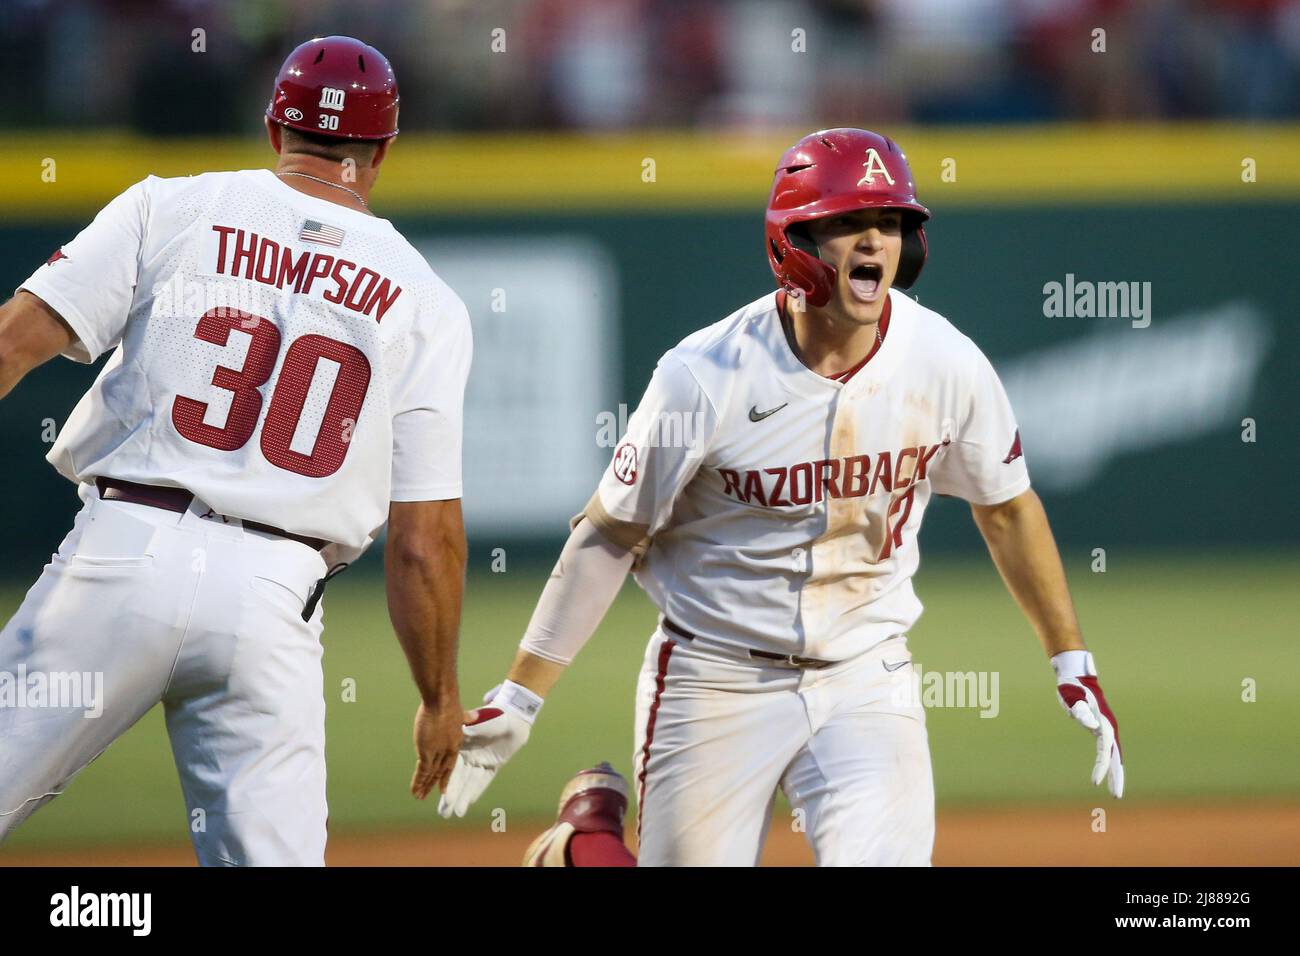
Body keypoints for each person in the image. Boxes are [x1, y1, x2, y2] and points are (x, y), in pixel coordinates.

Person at [440, 128, 1123, 867]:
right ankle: (586, 844)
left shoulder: (945, 362)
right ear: (794, 243)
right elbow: (610, 537)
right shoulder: (704, 376)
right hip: (715, 677)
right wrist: (520, 695)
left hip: (869, 675)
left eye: (891, 222)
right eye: (848, 223)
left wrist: (1070, 657)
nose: (875, 241)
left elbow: (1007, 505)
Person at [0, 36, 471, 866]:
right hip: (274, 597)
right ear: (384, 149)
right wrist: (439, 697)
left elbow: (11, 346)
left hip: (122, 555)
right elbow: (424, 541)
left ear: (272, 128)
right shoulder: (426, 298)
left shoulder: (170, 205)